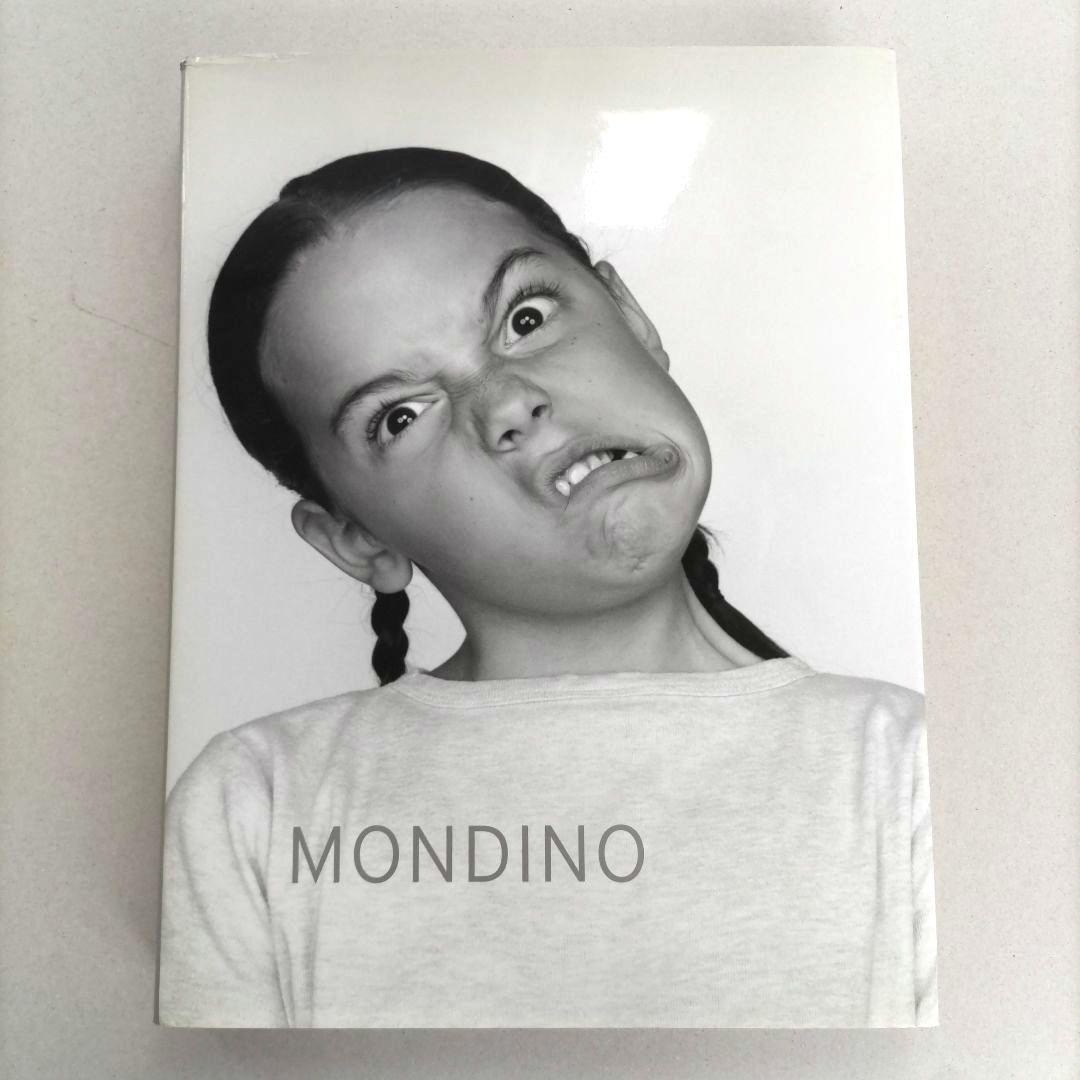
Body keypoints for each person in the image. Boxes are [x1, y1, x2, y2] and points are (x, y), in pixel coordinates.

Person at [158, 148, 937, 1028]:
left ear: (631, 317)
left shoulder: (908, 770)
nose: (509, 403)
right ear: (356, 538)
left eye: (525, 317)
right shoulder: (257, 805)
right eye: (400, 416)